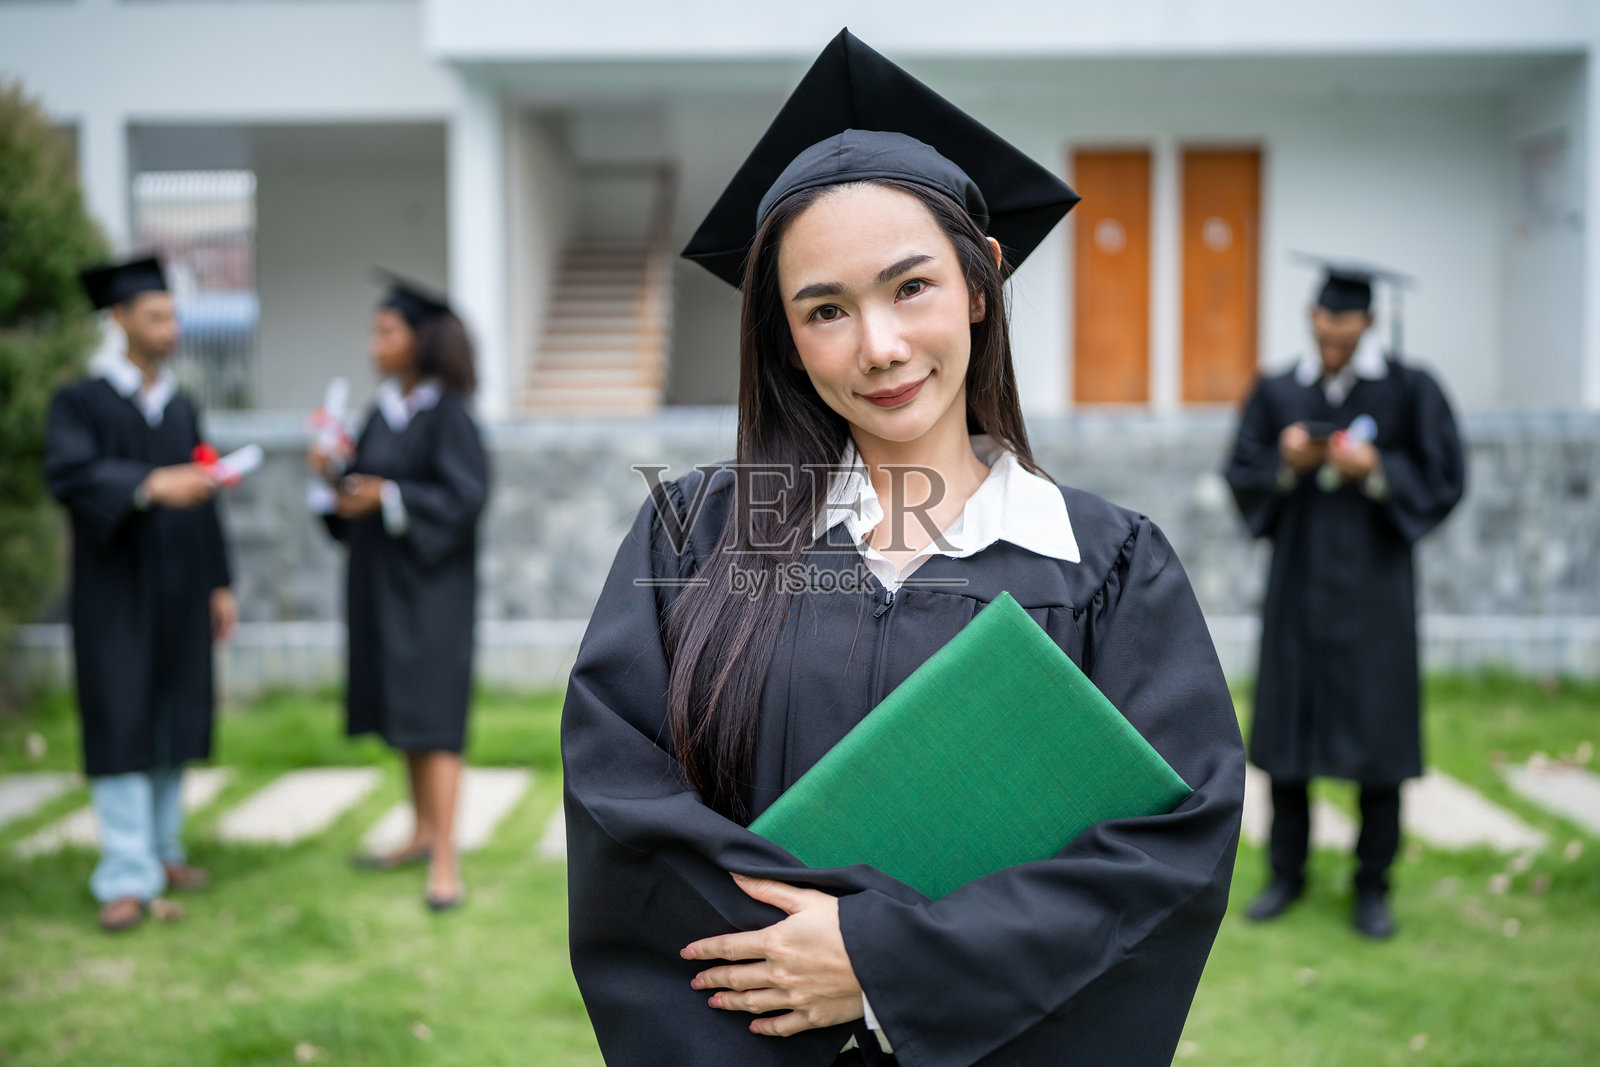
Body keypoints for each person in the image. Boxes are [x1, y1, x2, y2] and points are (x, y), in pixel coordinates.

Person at [561, 30, 1245, 1067]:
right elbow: (624, 808)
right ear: (785, 337)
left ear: (981, 283)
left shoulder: (1104, 567)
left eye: (909, 287)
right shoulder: (697, 534)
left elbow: (1165, 852)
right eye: (824, 309)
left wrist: (884, 960)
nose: (877, 345)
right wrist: (807, 967)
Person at [1223, 260, 1466, 939]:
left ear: (1368, 323)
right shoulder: (1278, 390)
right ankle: (1286, 873)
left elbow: (1446, 474)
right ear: (1311, 317)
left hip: (1375, 593)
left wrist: (1379, 469)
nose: (1332, 335)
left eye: (1345, 323)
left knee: (1379, 735)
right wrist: (1285, 464)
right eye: (1324, 322)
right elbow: (1242, 471)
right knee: (1289, 732)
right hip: (1298, 587)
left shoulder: (1409, 390)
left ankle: (1372, 884)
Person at [44, 256, 237, 933]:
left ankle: (163, 849)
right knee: (122, 717)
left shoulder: (180, 403)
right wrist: (150, 484)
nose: (170, 327)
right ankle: (124, 873)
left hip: (182, 586)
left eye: (174, 314)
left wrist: (220, 582)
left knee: (173, 713)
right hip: (115, 591)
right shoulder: (81, 401)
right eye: (156, 316)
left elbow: (207, 494)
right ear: (119, 319)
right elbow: (68, 476)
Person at [310, 273, 490, 912]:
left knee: (435, 717)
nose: (373, 343)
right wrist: (331, 475)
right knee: (404, 712)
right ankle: (418, 832)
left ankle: (446, 860)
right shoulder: (380, 410)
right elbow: (354, 498)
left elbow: (464, 500)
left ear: (422, 339)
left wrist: (386, 496)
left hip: (435, 593)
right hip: (383, 587)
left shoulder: (448, 414)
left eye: (386, 331)